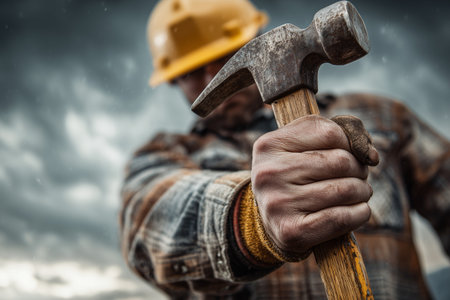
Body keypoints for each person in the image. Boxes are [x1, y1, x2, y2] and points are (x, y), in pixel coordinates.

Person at [119, 0, 450, 298]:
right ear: (173, 81)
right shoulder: (165, 155)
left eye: (223, 57)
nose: (210, 76)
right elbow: (148, 225)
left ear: (254, 38)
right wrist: (251, 220)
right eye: (191, 72)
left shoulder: (385, 118)